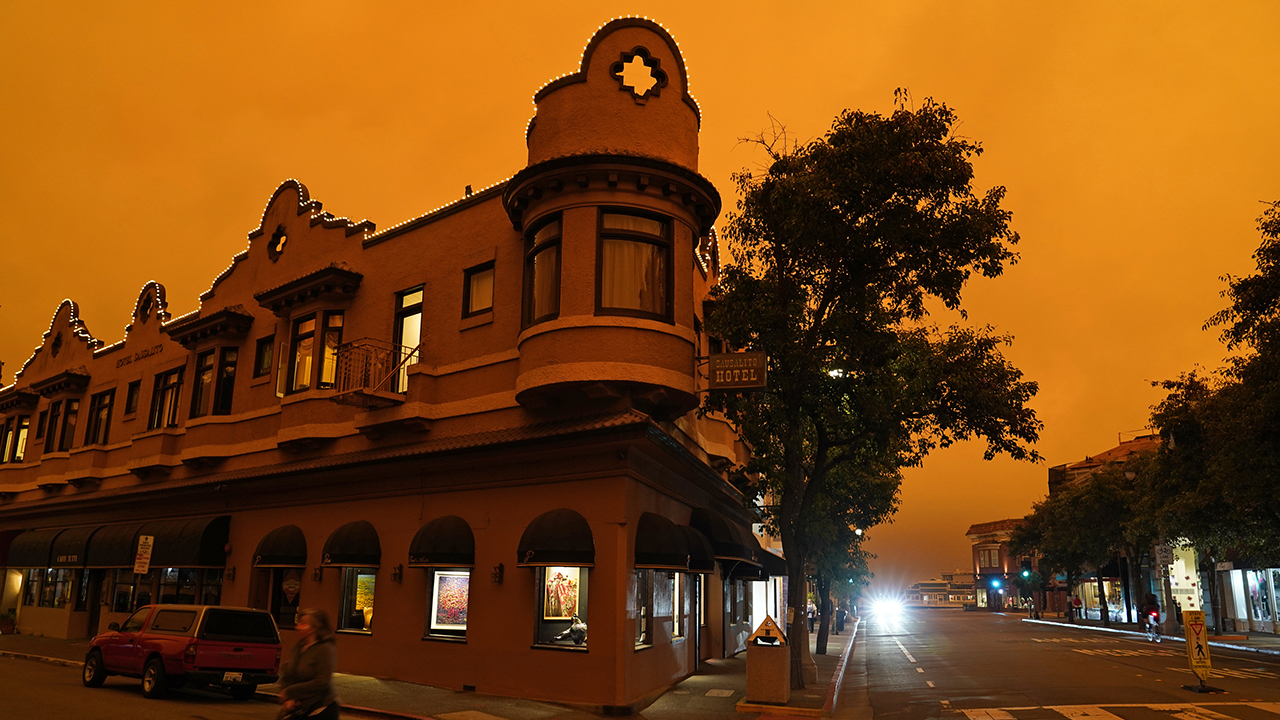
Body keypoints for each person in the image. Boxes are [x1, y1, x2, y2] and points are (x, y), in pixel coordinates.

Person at [278, 608, 339, 720]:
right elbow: (288, 672)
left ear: (315, 627)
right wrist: (288, 697)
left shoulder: (324, 650)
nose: (298, 627)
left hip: (319, 709)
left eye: (303, 624)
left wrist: (290, 692)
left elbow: (322, 682)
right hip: (297, 707)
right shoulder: (299, 647)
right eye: (298, 623)